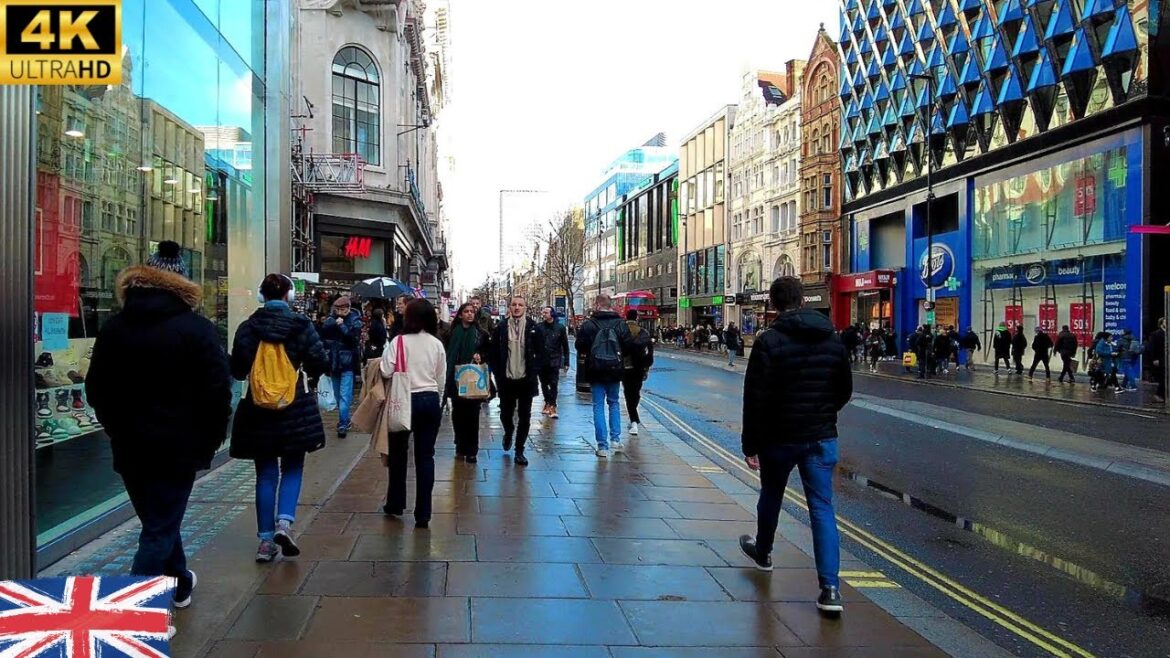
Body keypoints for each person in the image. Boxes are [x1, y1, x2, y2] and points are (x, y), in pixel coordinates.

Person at [85, 241, 232, 614]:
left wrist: (116, 428)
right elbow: (217, 392)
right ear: (181, 284)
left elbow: (96, 388)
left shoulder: (114, 328)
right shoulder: (197, 329)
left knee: (159, 521)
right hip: (179, 447)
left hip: (130, 445)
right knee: (159, 528)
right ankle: (132, 613)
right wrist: (210, 440)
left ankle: (179, 581)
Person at [738, 277, 852, 615]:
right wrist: (823, 413)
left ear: (773, 305)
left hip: (778, 437)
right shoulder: (832, 339)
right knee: (822, 507)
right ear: (803, 301)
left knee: (771, 495)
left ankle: (763, 553)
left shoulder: (768, 341)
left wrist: (750, 444)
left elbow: (754, 398)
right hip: (821, 436)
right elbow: (844, 389)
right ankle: (830, 589)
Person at [229, 274, 330, 562]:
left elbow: (237, 370)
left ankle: (264, 542)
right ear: (289, 296)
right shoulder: (301, 326)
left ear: (261, 296)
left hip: (258, 410)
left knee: (265, 473)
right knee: (293, 466)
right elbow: (319, 361)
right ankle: (284, 524)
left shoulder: (248, 328)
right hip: (294, 407)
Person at [380, 299, 447, 528]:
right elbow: (441, 378)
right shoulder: (436, 344)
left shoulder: (399, 341)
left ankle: (395, 503)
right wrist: (438, 401)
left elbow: (386, 370)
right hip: (429, 399)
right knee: (425, 456)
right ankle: (423, 512)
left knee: (398, 455)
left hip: (403, 400)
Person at [575, 294, 635, 457]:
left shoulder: (589, 324)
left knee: (598, 405)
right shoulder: (620, 324)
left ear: (597, 305)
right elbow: (629, 346)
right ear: (610, 305)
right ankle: (615, 440)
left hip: (595, 369)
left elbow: (579, 346)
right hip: (615, 369)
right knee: (614, 402)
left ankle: (602, 446)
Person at [488, 296, 542, 465]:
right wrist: (498, 374)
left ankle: (519, 450)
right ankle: (508, 431)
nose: (517, 307)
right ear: (509, 307)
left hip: (526, 380)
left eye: (520, 305)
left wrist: (534, 370)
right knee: (506, 414)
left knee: (525, 417)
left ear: (525, 307)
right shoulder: (501, 327)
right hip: (506, 379)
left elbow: (542, 352)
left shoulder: (534, 327)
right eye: (514, 305)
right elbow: (493, 353)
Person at [445, 302, 490, 462]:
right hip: (455, 379)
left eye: (472, 311)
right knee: (458, 414)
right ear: (460, 314)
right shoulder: (451, 333)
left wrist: (481, 356)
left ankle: (472, 450)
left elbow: (488, 352)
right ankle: (460, 445)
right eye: (466, 311)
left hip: (472, 379)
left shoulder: (481, 334)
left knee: (472, 415)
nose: (470, 314)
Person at [319, 296, 362, 438]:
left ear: (348, 308)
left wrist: (342, 326)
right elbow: (323, 336)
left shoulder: (355, 320)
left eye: (342, 309)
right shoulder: (330, 319)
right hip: (333, 362)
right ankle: (345, 419)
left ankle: (343, 423)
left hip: (347, 363)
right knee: (338, 395)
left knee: (345, 395)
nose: (339, 312)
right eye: (337, 309)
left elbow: (353, 340)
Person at [622, 308, 654, 436]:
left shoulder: (622, 331)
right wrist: (646, 368)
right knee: (635, 393)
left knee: (628, 393)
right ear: (636, 318)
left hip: (625, 367)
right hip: (639, 368)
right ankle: (634, 419)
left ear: (626, 317)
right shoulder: (644, 332)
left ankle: (634, 420)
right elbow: (649, 352)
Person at [536, 306, 570, 419]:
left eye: (546, 312)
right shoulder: (539, 327)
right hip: (541, 360)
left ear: (552, 314)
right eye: (543, 312)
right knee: (543, 383)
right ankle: (547, 401)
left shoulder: (560, 328)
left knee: (554, 383)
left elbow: (565, 346)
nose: (544, 314)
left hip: (554, 359)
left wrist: (566, 362)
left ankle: (553, 405)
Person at [1147, 318, 1166, 401]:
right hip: (1160, 358)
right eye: (1166, 322)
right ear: (1161, 324)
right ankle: (1158, 394)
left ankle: (1162, 395)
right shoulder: (1155, 334)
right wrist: (1155, 358)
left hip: (1166, 358)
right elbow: (1152, 347)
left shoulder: (1167, 333)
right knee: (1164, 377)